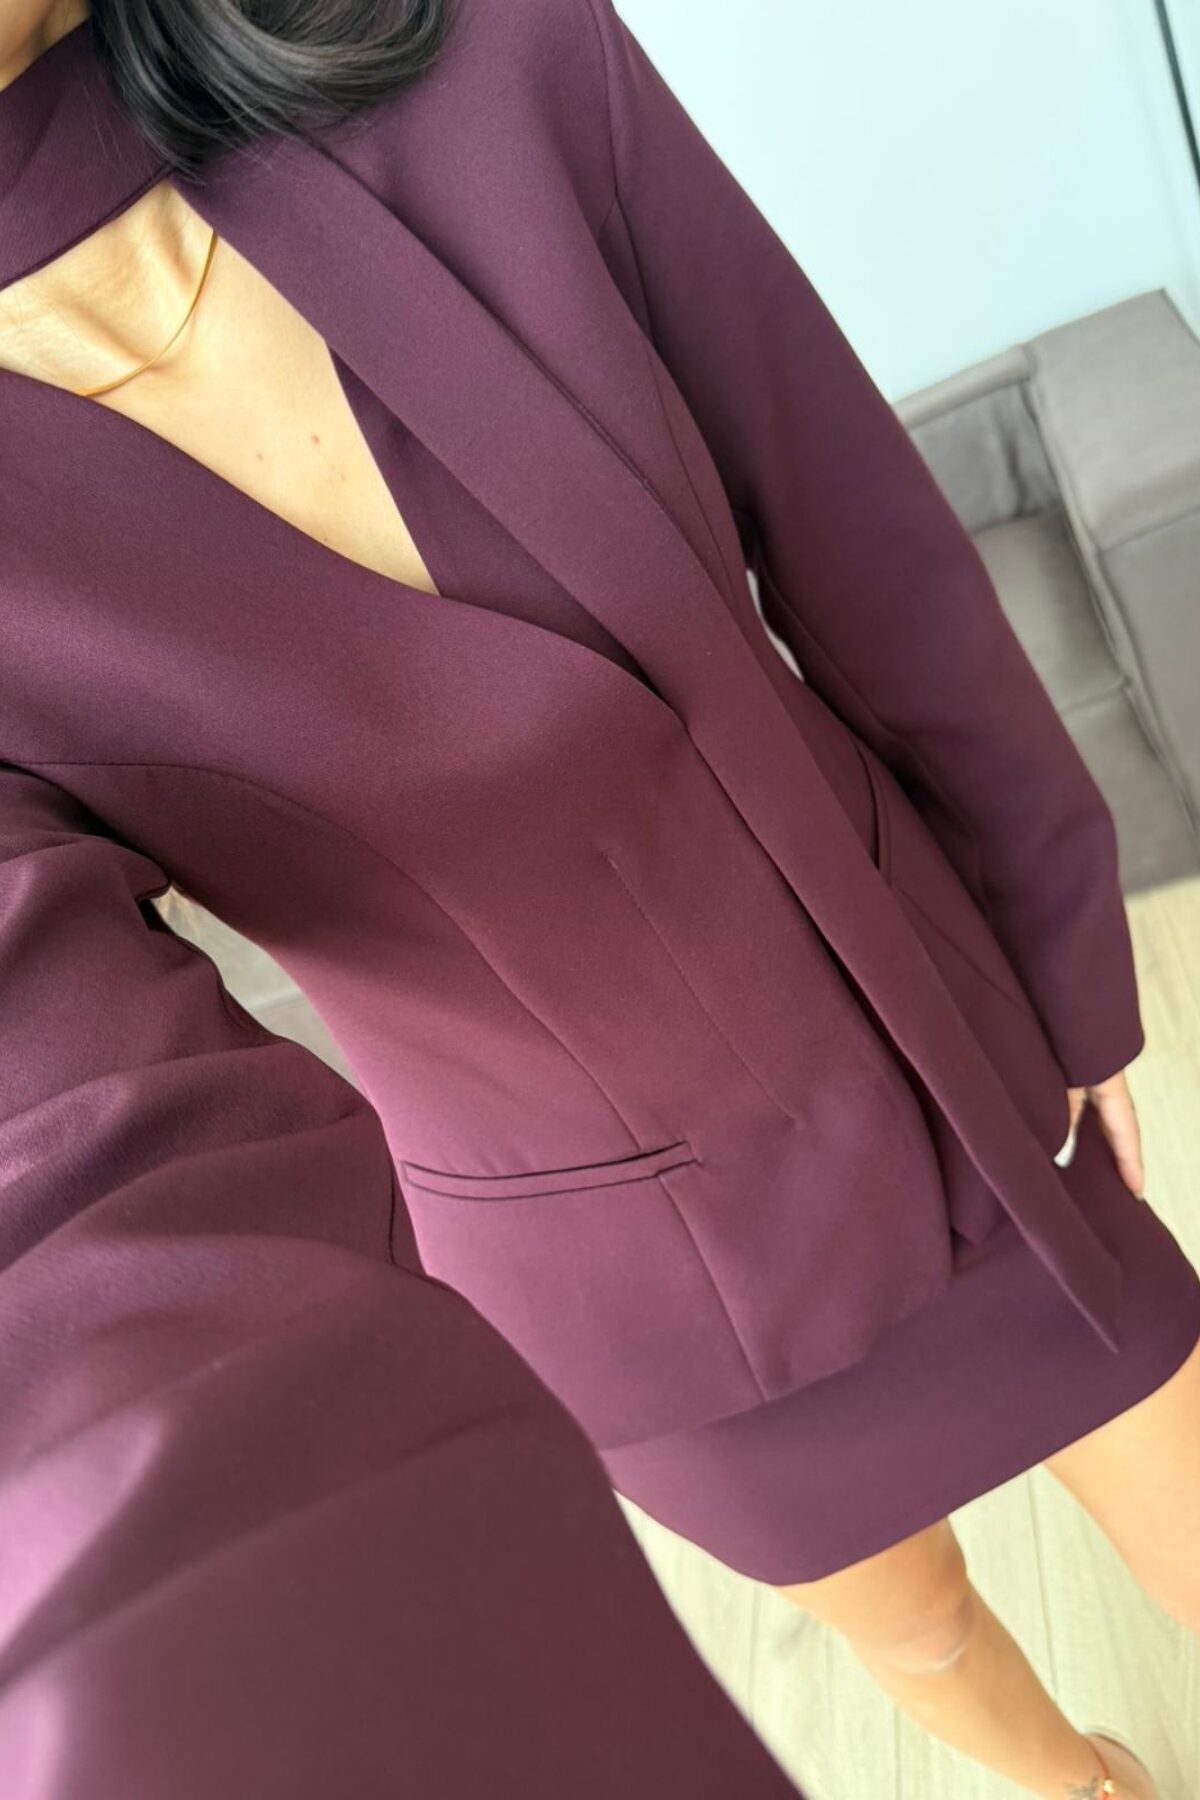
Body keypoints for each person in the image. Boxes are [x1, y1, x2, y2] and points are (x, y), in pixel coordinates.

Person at [1, 2, 1198, 1797]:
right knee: (919, 1634)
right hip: (619, 1281)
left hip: (949, 1063)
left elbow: (866, 544)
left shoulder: (485, 54)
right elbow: (58, 1156)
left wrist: (1063, 945)